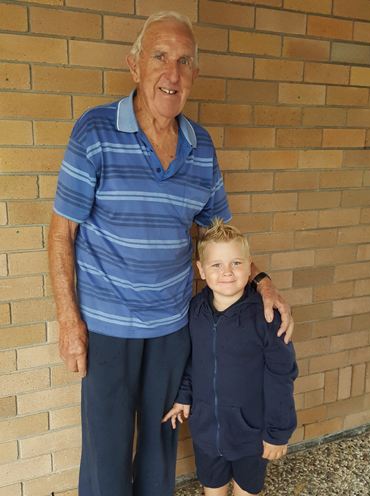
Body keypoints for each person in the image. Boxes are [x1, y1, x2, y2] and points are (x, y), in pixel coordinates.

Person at [47, 12, 294, 495]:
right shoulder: (94, 131)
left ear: (195, 75)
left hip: (173, 325)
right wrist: (68, 320)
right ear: (134, 65)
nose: (172, 73)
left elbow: (219, 237)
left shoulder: (200, 147)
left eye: (184, 61)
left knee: (162, 442)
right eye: (160, 57)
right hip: (107, 325)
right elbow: (61, 233)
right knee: (107, 446)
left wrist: (263, 282)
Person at [162, 219, 298, 496]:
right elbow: (192, 361)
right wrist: (184, 396)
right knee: (213, 489)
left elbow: (282, 375)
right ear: (201, 269)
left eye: (236, 263)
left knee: (247, 491)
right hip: (205, 430)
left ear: (250, 266)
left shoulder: (267, 316)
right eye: (216, 265)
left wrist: (278, 433)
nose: (227, 272)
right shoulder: (195, 310)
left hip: (250, 433)